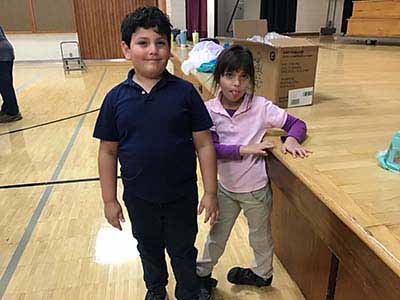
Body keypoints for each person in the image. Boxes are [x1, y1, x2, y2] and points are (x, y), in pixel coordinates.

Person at [93, 7, 218, 300]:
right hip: (139, 199)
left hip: (181, 197)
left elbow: (204, 144)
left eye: (160, 43)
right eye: (143, 43)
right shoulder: (115, 99)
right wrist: (109, 199)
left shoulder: (185, 94)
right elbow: (108, 152)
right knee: (148, 248)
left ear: (169, 47)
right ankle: (156, 289)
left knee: (183, 250)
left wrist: (210, 191)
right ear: (126, 49)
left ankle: (188, 291)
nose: (153, 51)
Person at [196, 44, 312, 299]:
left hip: (257, 190)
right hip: (225, 190)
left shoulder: (261, 106)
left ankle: (262, 274)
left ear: (250, 78)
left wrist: (291, 139)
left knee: (260, 237)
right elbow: (211, 148)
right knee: (217, 236)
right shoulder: (209, 110)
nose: (236, 84)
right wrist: (245, 149)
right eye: (229, 76)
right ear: (218, 77)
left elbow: (297, 123)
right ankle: (202, 274)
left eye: (243, 76)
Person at [0, 25, 22, 123]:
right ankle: (7, 109)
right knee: (5, 84)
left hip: (2, 54)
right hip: (6, 51)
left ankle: (13, 113)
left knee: (4, 85)